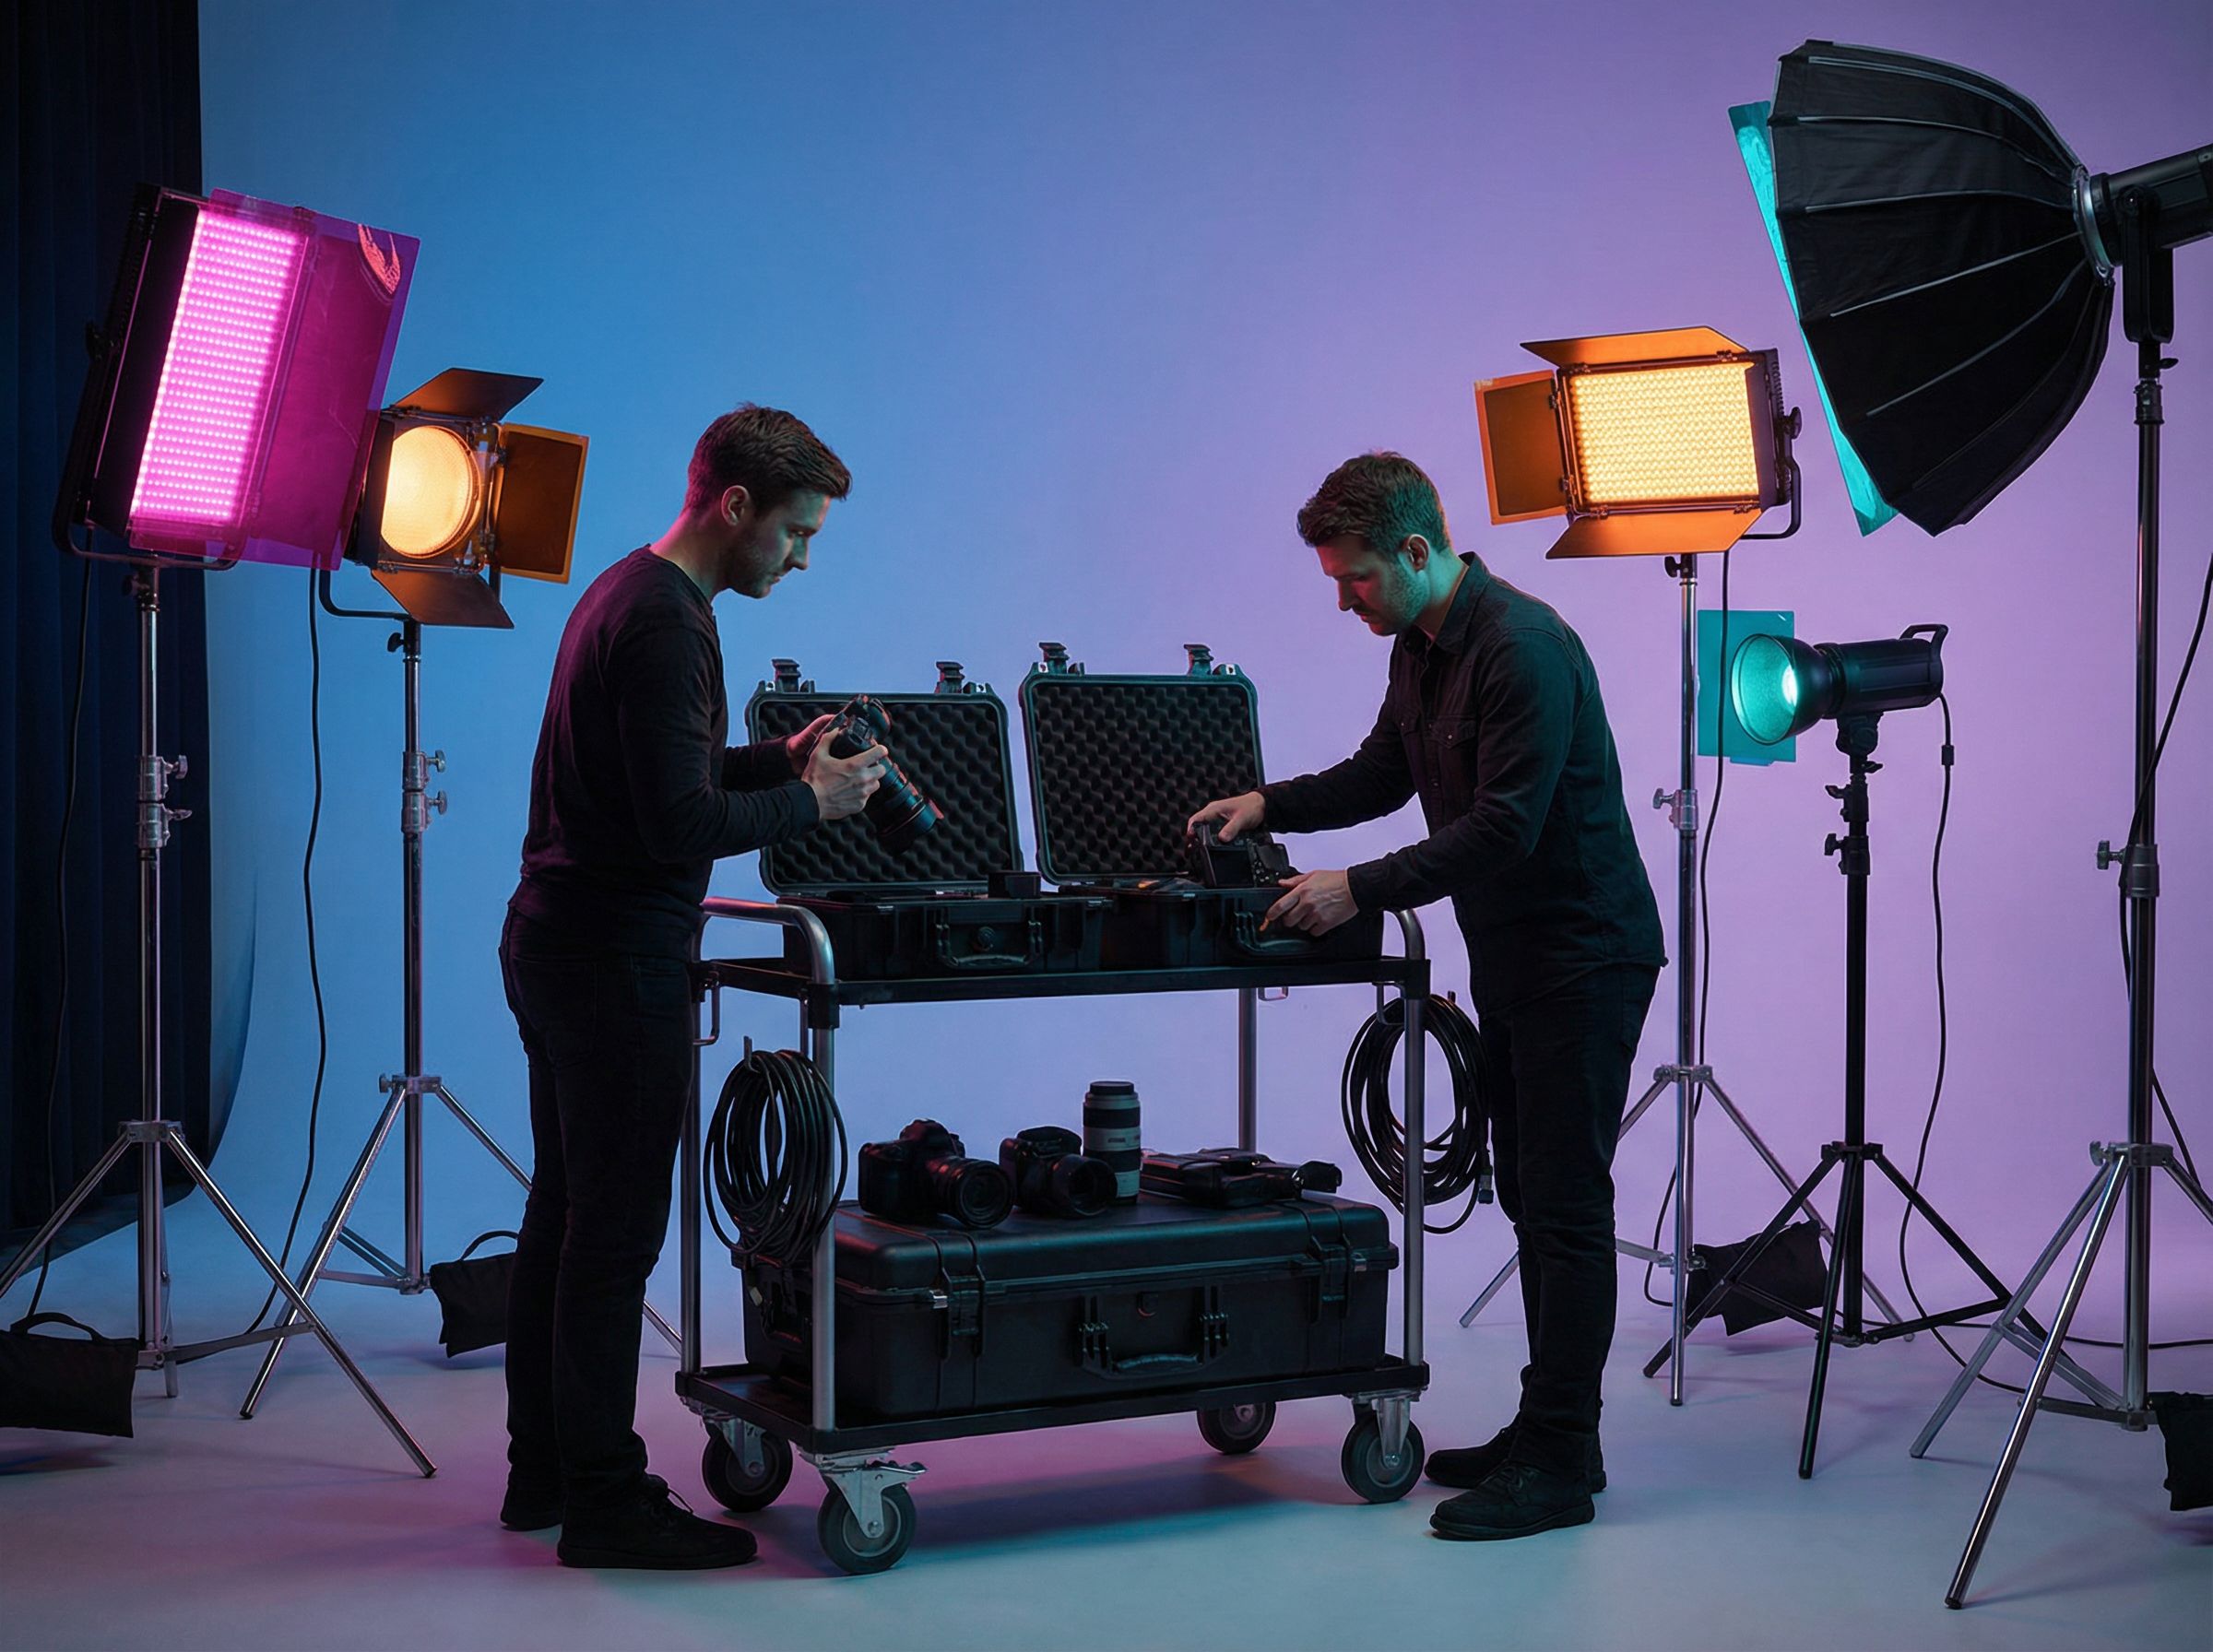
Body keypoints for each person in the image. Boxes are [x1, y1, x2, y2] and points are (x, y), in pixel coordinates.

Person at [1190, 452, 1663, 1541]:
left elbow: (1505, 826)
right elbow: (1380, 772)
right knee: (1532, 1202)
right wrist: (1266, 804)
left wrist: (1354, 885)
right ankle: (1556, 1432)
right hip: (1512, 953)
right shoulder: (1420, 645)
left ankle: (1558, 1460)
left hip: (1584, 955)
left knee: (1565, 1203)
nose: (1342, 600)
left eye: (1354, 579)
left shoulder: (1522, 647)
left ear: (1414, 551)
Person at [498, 405, 884, 1569]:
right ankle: (609, 1506)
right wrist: (810, 805)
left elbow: (656, 771)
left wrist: (775, 760)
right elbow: (675, 823)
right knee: (611, 1241)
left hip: (557, 943)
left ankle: (547, 1476)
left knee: (565, 1221)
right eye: (797, 534)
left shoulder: (629, 592)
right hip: (614, 962)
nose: (803, 556)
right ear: (736, 509)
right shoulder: (671, 624)